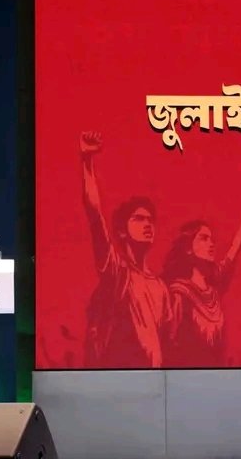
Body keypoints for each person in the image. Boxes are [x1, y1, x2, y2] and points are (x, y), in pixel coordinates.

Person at [80, 131, 171, 368]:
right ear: (122, 231)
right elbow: (94, 214)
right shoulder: (118, 273)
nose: (147, 225)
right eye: (138, 219)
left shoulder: (161, 288)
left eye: (150, 220)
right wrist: (87, 161)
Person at [161, 193, 241, 367]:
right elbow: (169, 347)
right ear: (188, 248)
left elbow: (235, 248)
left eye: (212, 239)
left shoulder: (214, 286)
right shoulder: (179, 294)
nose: (211, 244)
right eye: (203, 238)